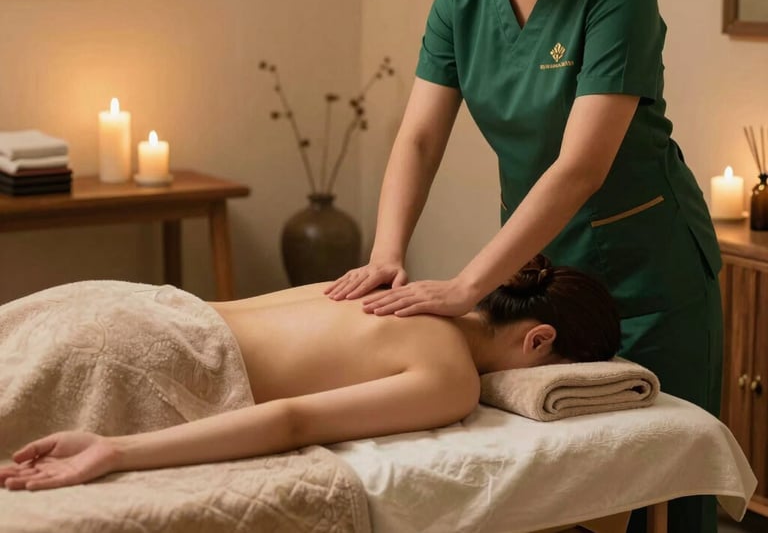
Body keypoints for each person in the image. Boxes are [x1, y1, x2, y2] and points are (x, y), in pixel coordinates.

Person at [325, 0, 723, 533]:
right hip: (538, 271)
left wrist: (467, 285)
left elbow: (581, 166)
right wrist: (387, 254)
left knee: (658, 489)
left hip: (646, 272)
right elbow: (419, 137)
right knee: (555, 484)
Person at [0, 256, 619, 492]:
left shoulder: (385, 283)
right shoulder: (451, 376)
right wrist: (115, 450)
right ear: (539, 340)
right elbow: (293, 421)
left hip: (123, 299)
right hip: (141, 355)